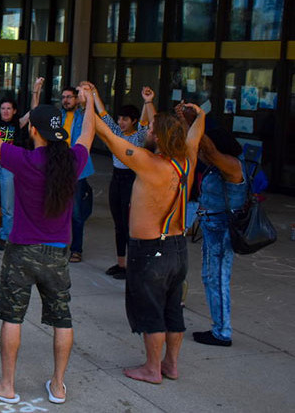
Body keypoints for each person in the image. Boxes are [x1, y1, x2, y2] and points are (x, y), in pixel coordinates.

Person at [0, 81, 95, 405]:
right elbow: (88, 134)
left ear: (33, 129)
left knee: (12, 317)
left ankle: (7, 385)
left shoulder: (23, 159)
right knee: (62, 319)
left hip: (21, 252)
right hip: (57, 252)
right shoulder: (73, 160)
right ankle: (58, 386)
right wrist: (90, 103)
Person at [94, 101, 205, 384]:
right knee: (172, 309)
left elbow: (109, 137)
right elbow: (195, 135)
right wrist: (199, 116)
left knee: (151, 311)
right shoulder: (188, 160)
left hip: (149, 251)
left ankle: (152, 368)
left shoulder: (148, 162)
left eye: (151, 128)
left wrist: (88, 112)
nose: (146, 129)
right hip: (178, 247)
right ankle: (171, 365)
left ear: (158, 136)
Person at [90, 84, 151, 279]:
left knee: (129, 223)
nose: (121, 122)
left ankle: (132, 264)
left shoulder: (139, 136)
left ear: (133, 120)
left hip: (131, 179)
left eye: (125, 119)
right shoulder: (116, 132)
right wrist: (95, 93)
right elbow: (103, 115)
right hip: (116, 177)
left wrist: (147, 101)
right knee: (118, 223)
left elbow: (145, 120)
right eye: (120, 118)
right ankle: (121, 263)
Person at [193, 127, 246, 347]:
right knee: (210, 277)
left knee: (218, 279)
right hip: (212, 227)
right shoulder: (216, 167)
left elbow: (211, 153)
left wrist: (201, 124)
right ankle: (219, 328)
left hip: (221, 229)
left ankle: (223, 332)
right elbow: (204, 153)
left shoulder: (232, 165)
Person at [0, 77, 39, 250]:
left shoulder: (18, 124)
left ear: (14, 111)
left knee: (7, 206)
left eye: (8, 109)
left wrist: (36, 90)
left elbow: (33, 112)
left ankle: (6, 236)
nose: (5, 111)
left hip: (9, 167)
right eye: (3, 108)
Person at [60, 87, 95, 263]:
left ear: (76, 99)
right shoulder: (57, 116)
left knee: (76, 213)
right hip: (58, 170)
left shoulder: (83, 116)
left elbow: (91, 116)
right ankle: (59, 246)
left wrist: (86, 98)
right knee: (58, 210)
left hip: (78, 171)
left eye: (69, 97)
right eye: (63, 97)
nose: (65, 100)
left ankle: (76, 249)